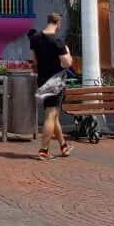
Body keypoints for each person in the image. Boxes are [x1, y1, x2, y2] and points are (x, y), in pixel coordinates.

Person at [31, 12, 74, 161]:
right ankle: (44, 150)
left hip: (42, 80)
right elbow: (67, 63)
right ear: (58, 23)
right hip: (55, 81)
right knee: (51, 115)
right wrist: (67, 52)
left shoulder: (35, 38)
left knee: (53, 115)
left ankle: (64, 146)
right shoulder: (58, 41)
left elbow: (35, 61)